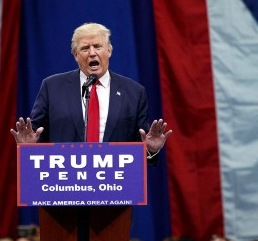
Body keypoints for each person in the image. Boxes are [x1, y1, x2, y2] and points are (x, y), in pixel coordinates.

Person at [10, 22, 172, 157]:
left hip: (114, 187)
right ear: (75, 55)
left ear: (109, 50)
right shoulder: (52, 87)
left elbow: (139, 147)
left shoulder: (134, 92)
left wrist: (151, 149)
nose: (92, 53)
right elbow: (36, 135)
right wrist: (28, 147)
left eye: (98, 46)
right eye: (85, 48)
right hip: (64, 187)